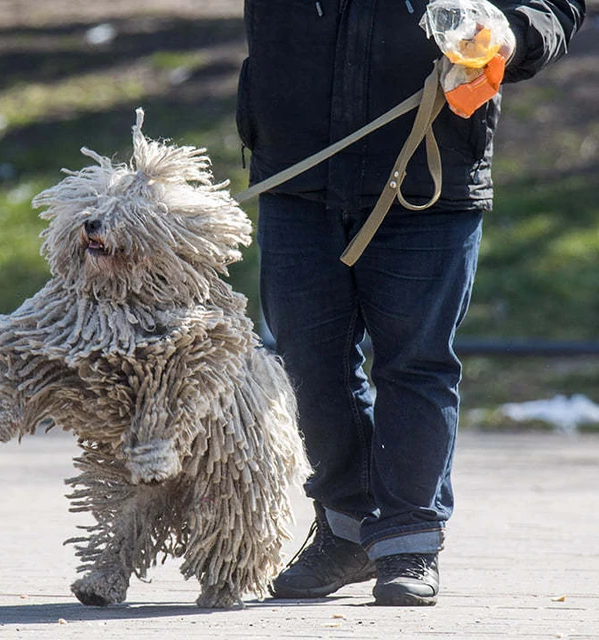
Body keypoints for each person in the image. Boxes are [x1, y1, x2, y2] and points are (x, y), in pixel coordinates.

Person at [236, 0, 585, 606]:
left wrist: (512, 31)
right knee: (308, 361)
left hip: (435, 169)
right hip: (296, 170)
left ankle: (409, 542)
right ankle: (344, 530)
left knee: (416, 362)